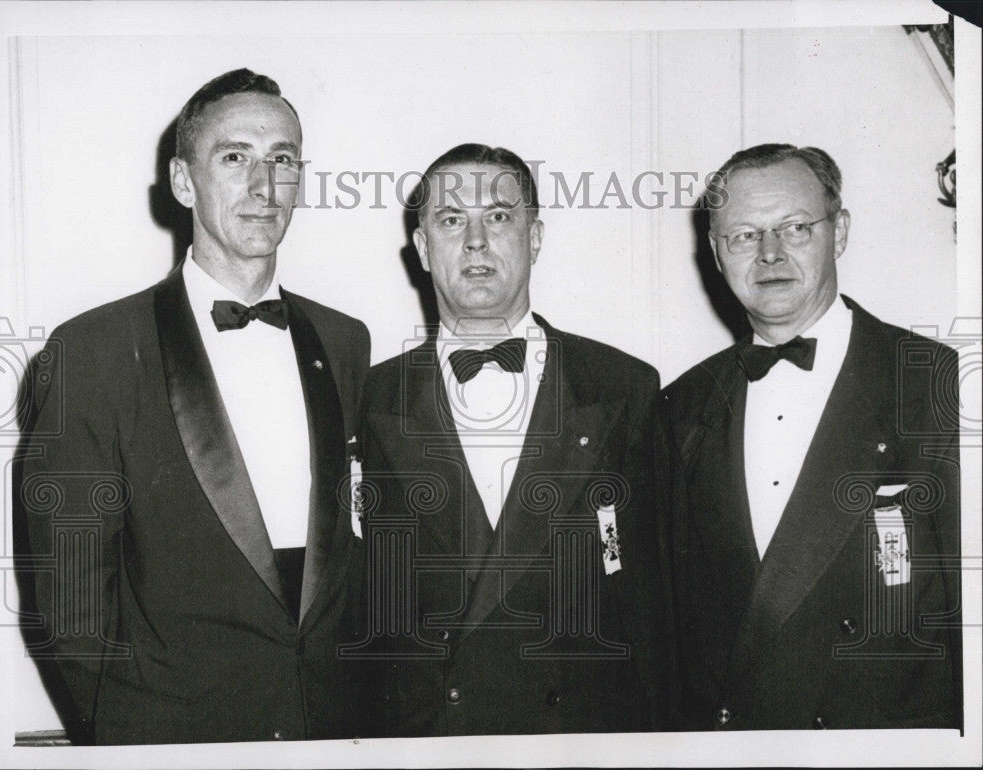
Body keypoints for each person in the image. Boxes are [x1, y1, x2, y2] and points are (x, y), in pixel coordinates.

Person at [21, 69, 369, 744]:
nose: (264, 188)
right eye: (235, 157)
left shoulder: (346, 341)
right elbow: (70, 601)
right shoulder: (89, 351)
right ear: (184, 182)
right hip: (172, 735)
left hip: (332, 729)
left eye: (283, 161)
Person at [353, 143, 671, 737]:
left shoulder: (626, 388)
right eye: (451, 221)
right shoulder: (368, 398)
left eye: (498, 216)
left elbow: (652, 612)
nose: (476, 241)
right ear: (423, 249)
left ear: (536, 237)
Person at [661, 143, 961, 730]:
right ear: (716, 254)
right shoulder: (680, 406)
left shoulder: (936, 384)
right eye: (744, 236)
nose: (770, 254)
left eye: (795, 228)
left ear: (839, 231)